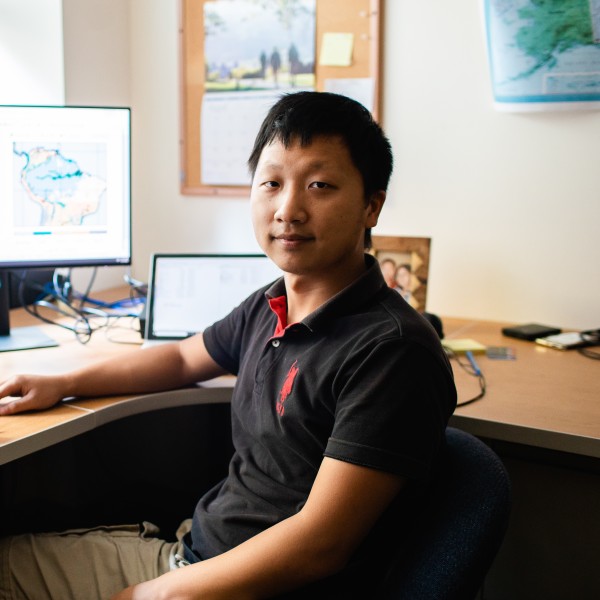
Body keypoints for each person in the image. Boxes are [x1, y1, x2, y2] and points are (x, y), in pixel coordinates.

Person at [0, 91, 456, 600]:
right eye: (272, 183)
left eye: (320, 186)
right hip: (195, 558)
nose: (289, 210)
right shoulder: (270, 305)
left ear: (372, 205)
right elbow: (180, 357)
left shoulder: (392, 352)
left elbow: (320, 545)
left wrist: (156, 595)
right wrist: (62, 382)